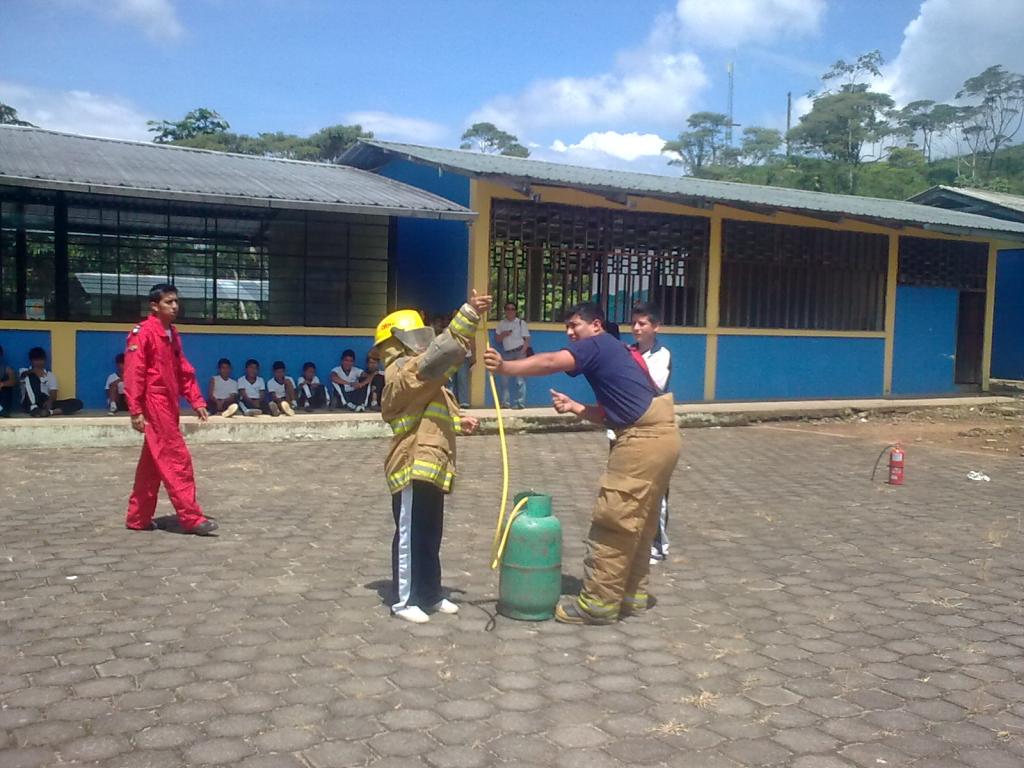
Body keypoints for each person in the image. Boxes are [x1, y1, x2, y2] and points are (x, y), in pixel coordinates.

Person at [484, 301, 680, 625]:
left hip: (642, 441)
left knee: (613, 522)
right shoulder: (615, 353)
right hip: (663, 437)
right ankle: (631, 595)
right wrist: (576, 407)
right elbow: (615, 413)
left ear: (596, 326)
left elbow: (549, 362)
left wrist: (506, 367)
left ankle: (597, 604)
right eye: (567, 327)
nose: (570, 332)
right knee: (639, 522)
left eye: (575, 325)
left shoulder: (597, 345)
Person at [374, 288, 491, 624]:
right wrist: (468, 315)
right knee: (410, 535)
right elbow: (436, 360)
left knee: (430, 534)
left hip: (432, 466)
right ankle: (404, 600)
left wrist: (459, 419)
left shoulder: (425, 378)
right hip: (410, 466)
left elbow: (436, 404)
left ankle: (430, 594)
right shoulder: (401, 372)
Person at [123, 283, 218, 535]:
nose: (175, 306)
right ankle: (191, 517)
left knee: (152, 464)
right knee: (177, 458)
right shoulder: (142, 333)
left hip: (169, 403)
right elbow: (134, 373)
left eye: (176, 301)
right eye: (169, 302)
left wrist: (196, 400)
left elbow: (183, 370)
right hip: (154, 403)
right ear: (154, 306)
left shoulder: (172, 333)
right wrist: (135, 410)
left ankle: (138, 518)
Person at [630, 303, 673, 565]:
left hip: (654, 429)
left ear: (655, 327)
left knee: (656, 490)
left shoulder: (662, 354)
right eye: (634, 323)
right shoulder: (628, 352)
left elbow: (654, 385)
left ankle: (658, 544)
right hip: (627, 429)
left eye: (642, 323)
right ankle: (635, 540)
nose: (636, 328)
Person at [19, 347, 83, 416]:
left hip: (44, 402)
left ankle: (49, 412)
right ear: (31, 361)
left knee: (77, 403)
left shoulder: (50, 375)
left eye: (41, 360)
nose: (39, 363)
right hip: (28, 403)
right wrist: (34, 372)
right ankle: (34, 408)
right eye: (36, 360)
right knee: (31, 376)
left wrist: (49, 402)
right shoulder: (24, 371)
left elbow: (53, 393)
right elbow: (23, 375)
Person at [494, 302, 531, 409]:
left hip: (519, 351)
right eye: (508, 309)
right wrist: (503, 334)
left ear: (515, 311)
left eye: (512, 309)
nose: (510, 311)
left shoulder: (520, 323)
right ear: (505, 311)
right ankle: (505, 403)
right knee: (504, 379)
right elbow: (497, 339)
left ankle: (520, 403)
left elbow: (527, 339)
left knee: (520, 379)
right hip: (507, 353)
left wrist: (523, 352)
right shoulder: (501, 323)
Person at [0, 345, 17, 418]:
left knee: (6, 390)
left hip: (3, 399)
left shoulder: (6, 369)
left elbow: (13, 381)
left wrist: (2, 384)